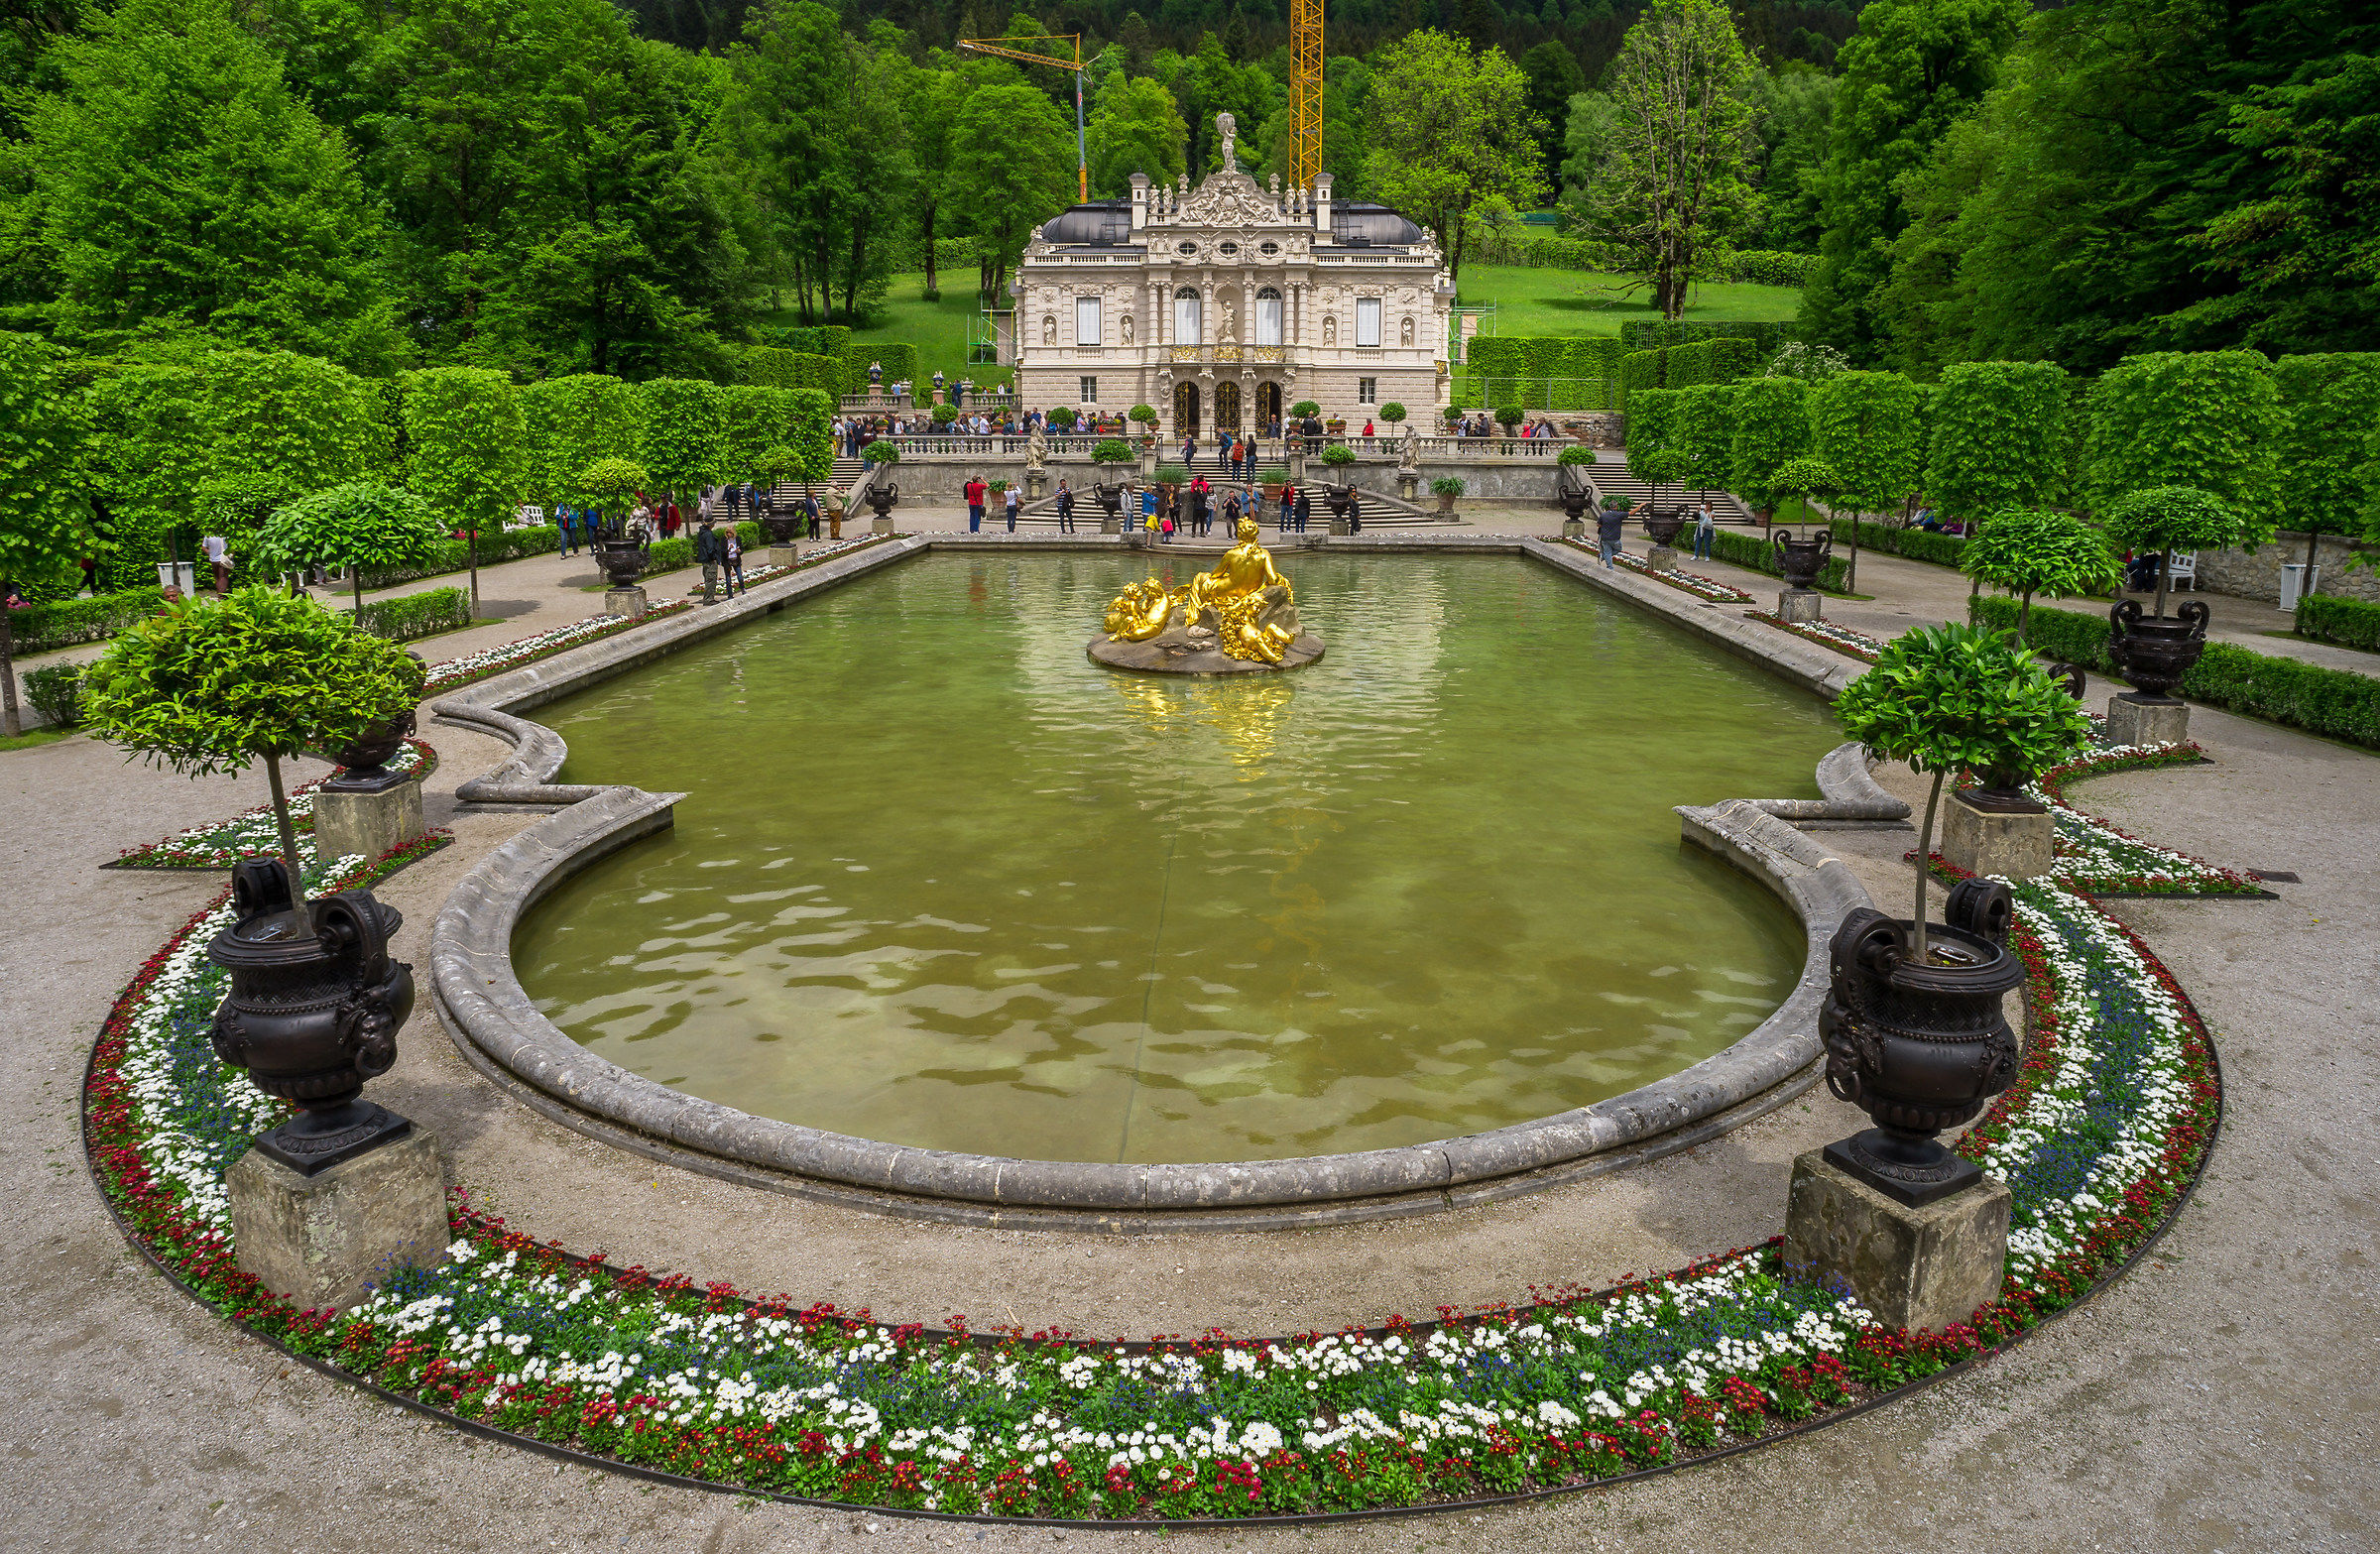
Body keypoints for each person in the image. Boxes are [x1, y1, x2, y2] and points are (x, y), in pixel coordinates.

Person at [694, 517, 724, 603]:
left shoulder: (702, 533)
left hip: (705, 560)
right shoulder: (708, 534)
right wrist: (714, 557)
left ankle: (709, 598)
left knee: (708, 579)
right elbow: (710, 548)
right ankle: (709, 599)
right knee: (711, 579)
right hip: (710, 560)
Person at [1596, 500, 1625, 569]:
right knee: (1617, 549)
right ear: (1617, 506)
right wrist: (1640, 506)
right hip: (1613, 537)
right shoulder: (1618, 515)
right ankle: (1606, 560)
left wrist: (1605, 525)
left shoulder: (1604, 514)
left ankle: (1606, 560)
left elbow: (1598, 524)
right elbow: (1630, 513)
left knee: (1608, 552)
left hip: (1605, 537)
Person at [202, 532, 231, 596]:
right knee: (223, 577)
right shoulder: (226, 535)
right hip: (224, 559)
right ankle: (221, 596)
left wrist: (211, 553)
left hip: (213, 560)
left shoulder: (208, 535)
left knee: (217, 578)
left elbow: (204, 547)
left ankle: (219, 593)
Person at [721, 523, 745, 597]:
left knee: (740, 577)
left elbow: (742, 549)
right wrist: (729, 549)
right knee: (728, 579)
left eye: (730, 533)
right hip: (727, 561)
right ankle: (730, 594)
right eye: (727, 532)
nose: (728, 534)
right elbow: (722, 551)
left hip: (736, 560)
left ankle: (742, 588)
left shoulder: (737, 539)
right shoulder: (724, 540)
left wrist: (739, 551)